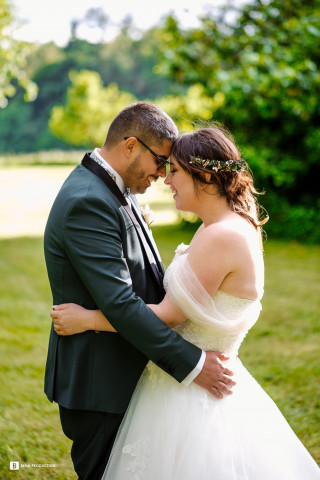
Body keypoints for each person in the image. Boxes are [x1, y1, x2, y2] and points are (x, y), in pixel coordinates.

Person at [51, 125, 320, 479]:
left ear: (205, 176)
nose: (166, 179)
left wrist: (88, 319)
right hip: (180, 381)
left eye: (174, 170)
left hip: (194, 394)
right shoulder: (219, 226)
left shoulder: (221, 235)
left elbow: (168, 316)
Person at [43, 104, 236, 480]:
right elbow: (119, 303)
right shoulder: (88, 200)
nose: (163, 175)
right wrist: (194, 364)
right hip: (102, 384)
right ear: (131, 145)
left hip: (130, 371)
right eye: (161, 161)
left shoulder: (115, 185)